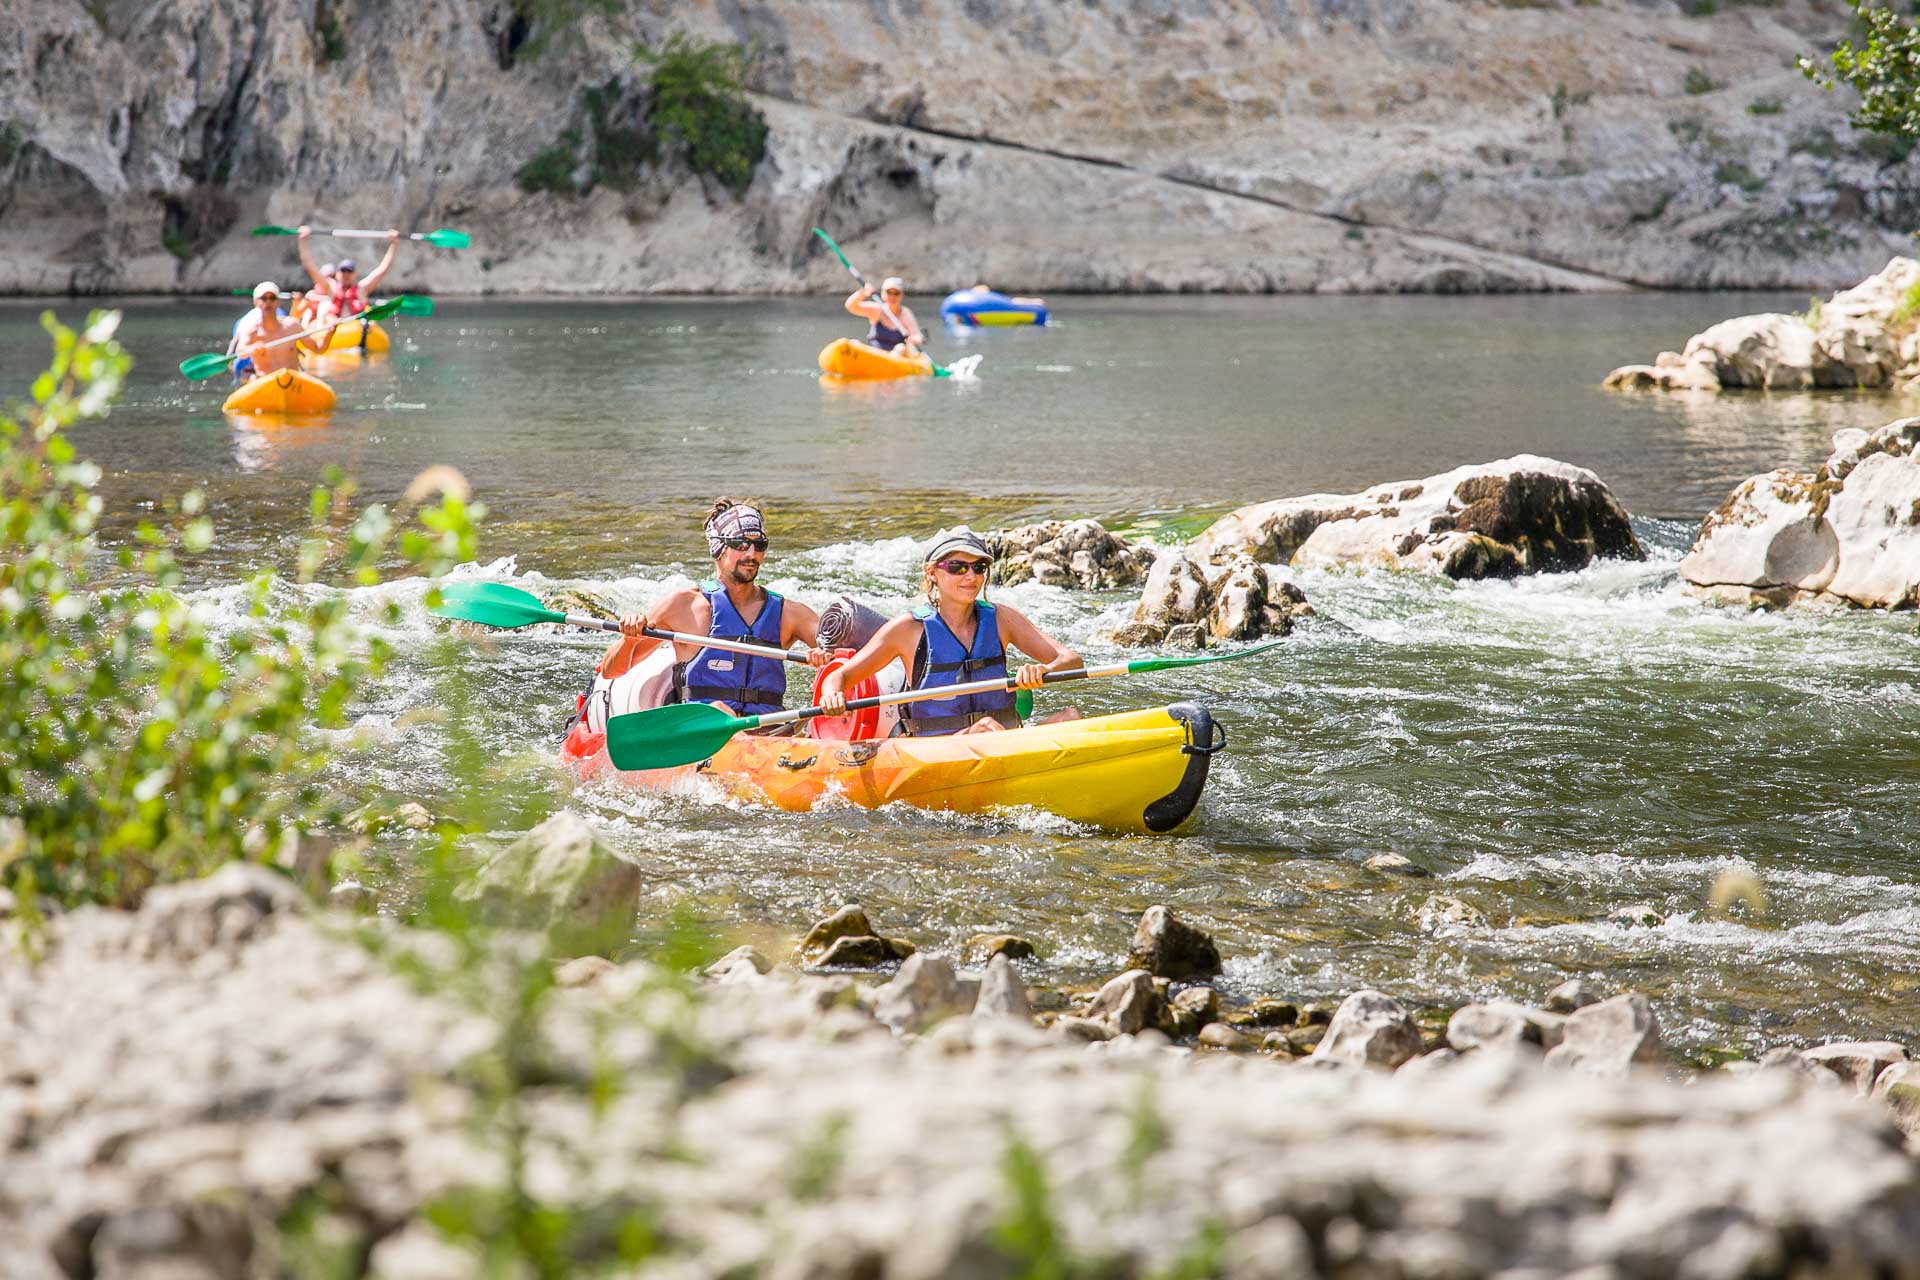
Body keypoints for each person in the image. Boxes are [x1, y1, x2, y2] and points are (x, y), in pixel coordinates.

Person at [588, 499, 829, 729]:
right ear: (719, 548)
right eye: (740, 544)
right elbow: (612, 671)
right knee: (719, 708)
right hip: (701, 731)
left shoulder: (790, 613)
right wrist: (630, 639)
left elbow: (841, 656)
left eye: (760, 545)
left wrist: (826, 662)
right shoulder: (682, 606)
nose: (752, 554)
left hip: (768, 731)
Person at [817, 527, 1082, 735]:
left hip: (1003, 740)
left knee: (1070, 717)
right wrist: (832, 696)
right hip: (941, 749)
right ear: (932, 572)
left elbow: (1072, 660)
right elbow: (838, 678)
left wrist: (1044, 670)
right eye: (958, 567)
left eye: (979, 567)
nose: (971, 576)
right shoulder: (907, 629)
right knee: (985, 729)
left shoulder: (1002, 618)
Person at [296, 225, 400, 324]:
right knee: (328, 317)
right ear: (337, 274)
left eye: (349, 271)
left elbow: (382, 270)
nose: (346, 274)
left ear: (355, 275)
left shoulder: (362, 289)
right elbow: (310, 267)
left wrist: (394, 244)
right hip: (335, 330)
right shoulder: (330, 287)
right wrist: (303, 241)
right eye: (343, 271)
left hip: (357, 330)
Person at [228, 282, 328, 381]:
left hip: (293, 380)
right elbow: (240, 352)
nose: (268, 302)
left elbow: (318, 349)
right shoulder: (251, 330)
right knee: (252, 378)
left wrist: (330, 333)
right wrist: (252, 348)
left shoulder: (293, 325)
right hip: (266, 382)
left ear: (278, 302)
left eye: (272, 298)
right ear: (256, 302)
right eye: (264, 298)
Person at [844, 275, 924, 354]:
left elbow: (917, 335)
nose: (892, 296)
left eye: (896, 293)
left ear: (901, 296)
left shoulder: (905, 313)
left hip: (897, 357)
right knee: (854, 343)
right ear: (883, 294)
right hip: (875, 353)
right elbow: (851, 306)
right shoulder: (877, 310)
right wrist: (862, 293)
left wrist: (914, 339)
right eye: (889, 292)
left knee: (900, 348)